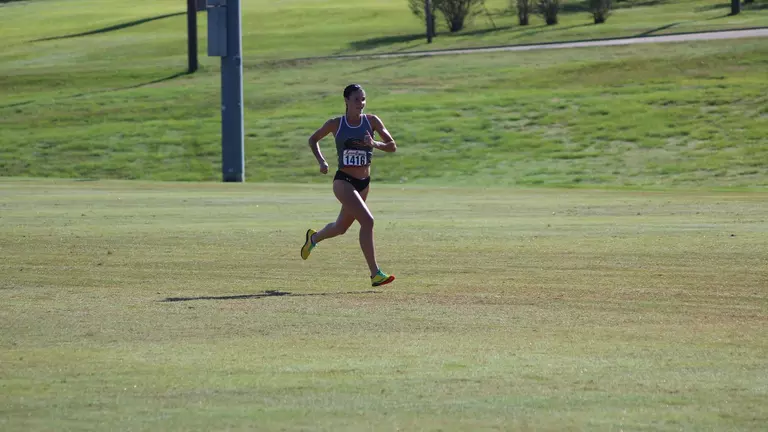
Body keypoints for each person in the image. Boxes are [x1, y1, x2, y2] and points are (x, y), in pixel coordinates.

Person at [300, 84, 397, 287]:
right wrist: (322, 161)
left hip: (364, 184)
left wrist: (374, 144)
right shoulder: (336, 124)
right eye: (356, 100)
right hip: (343, 181)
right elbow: (313, 140)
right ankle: (375, 274)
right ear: (346, 101)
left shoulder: (372, 121)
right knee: (368, 222)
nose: (361, 103)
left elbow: (392, 146)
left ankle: (313, 238)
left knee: (340, 227)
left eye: (363, 99)